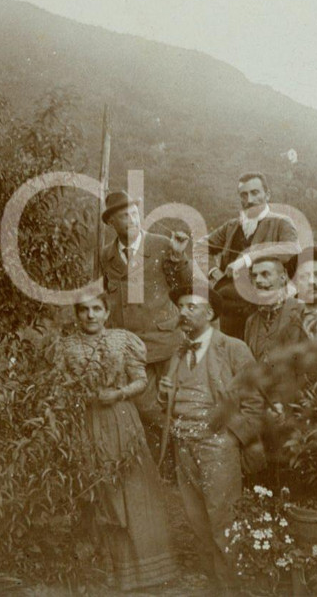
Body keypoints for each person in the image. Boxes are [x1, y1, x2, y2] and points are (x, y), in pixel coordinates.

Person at [55, 292, 178, 591]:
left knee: (132, 485)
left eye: (97, 309)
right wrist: (80, 395)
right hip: (86, 421)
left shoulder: (123, 340)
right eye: (84, 310)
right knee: (96, 487)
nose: (90, 315)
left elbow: (141, 380)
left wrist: (119, 393)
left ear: (107, 313)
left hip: (122, 419)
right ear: (76, 314)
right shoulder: (66, 346)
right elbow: (58, 385)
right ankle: (101, 568)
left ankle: (145, 570)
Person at [158, 284, 265, 589]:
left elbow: (255, 400)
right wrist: (164, 395)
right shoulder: (178, 352)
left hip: (218, 444)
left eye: (191, 307)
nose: (183, 312)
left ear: (210, 313)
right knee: (196, 517)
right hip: (183, 442)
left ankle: (232, 587)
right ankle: (213, 583)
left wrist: (233, 438)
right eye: (180, 307)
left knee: (223, 517)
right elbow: (170, 401)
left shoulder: (232, 348)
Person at [99, 190, 191, 451]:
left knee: (177, 403)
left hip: (166, 344)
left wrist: (179, 257)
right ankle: (172, 450)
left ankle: (181, 456)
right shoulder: (106, 255)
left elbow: (187, 285)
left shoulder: (162, 245)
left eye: (135, 213)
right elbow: (106, 296)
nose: (132, 220)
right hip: (132, 350)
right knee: (144, 407)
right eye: (124, 216)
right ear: (111, 222)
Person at [204, 172, 299, 338]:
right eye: (244, 195)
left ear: (267, 195)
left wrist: (247, 258)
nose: (249, 200)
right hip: (228, 310)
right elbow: (200, 247)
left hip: (262, 308)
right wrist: (213, 271)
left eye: (255, 193)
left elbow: (292, 249)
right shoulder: (231, 226)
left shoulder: (281, 222)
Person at [243, 253, 303, 364]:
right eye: (254, 276)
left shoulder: (302, 311)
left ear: (283, 277)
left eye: (265, 274)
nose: (258, 280)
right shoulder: (251, 322)